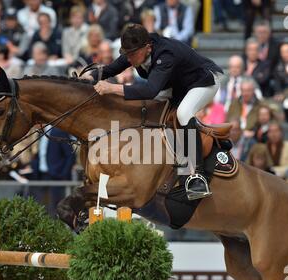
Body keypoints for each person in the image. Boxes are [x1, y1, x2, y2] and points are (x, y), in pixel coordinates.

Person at [90, 24, 223, 200]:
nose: (129, 59)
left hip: (203, 82)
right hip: (177, 86)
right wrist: (89, 77)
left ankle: (197, 177)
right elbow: (111, 69)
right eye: (127, 54)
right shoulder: (137, 49)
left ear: (148, 48)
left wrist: (112, 88)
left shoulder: (165, 55)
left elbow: (150, 90)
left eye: (132, 54)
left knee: (183, 113)